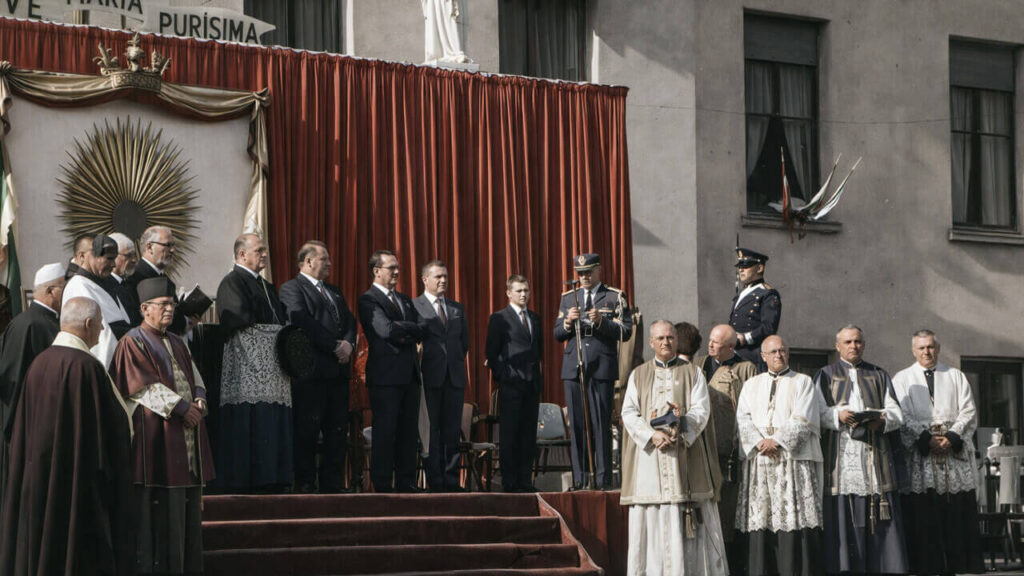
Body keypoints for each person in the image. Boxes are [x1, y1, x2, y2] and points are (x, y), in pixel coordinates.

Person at [0, 297, 134, 576]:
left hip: (38, 481)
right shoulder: (87, 367)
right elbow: (110, 431)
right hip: (76, 487)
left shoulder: (38, 364)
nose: (100, 332)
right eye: (99, 325)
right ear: (87, 324)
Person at [110, 277, 215, 576]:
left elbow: (196, 378)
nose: (170, 310)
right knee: (157, 514)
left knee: (186, 514)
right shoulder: (132, 341)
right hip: (158, 438)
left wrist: (199, 402)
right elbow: (140, 386)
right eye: (164, 305)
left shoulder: (178, 341)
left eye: (172, 304)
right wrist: (184, 409)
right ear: (145, 308)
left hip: (187, 434)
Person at [620, 320, 726, 576]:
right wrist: (651, 435)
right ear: (651, 343)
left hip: (685, 459)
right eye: (661, 338)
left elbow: (702, 409)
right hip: (650, 462)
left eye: (670, 337)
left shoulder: (693, 373)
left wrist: (682, 431)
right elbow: (629, 412)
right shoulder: (639, 374)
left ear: (677, 341)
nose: (666, 342)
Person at [814, 325, 909, 575]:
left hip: (874, 451)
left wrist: (881, 420)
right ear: (838, 346)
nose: (853, 346)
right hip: (841, 455)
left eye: (857, 341)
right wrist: (838, 415)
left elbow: (897, 413)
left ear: (863, 345)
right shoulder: (825, 374)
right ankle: (845, 567)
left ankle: (883, 567)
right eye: (847, 342)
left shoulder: (879, 374)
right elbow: (814, 413)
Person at [892, 330, 984, 575]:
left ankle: (958, 567)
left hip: (953, 456)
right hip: (922, 458)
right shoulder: (902, 379)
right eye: (921, 348)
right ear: (913, 350)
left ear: (938, 348)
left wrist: (952, 437)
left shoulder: (955, 376)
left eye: (930, 347)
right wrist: (926, 439)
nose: (926, 352)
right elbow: (901, 415)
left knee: (955, 515)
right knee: (924, 517)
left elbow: (968, 411)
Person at [735, 335, 824, 576]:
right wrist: (759, 442)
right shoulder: (751, 384)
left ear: (788, 354)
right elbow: (742, 418)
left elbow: (804, 417)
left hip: (790, 460)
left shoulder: (803, 382)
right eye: (773, 351)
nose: (778, 355)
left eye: (782, 351)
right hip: (760, 459)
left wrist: (779, 442)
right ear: (763, 356)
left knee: (792, 516)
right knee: (761, 516)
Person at [216, 233, 292, 493]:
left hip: (273, 370)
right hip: (248, 367)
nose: (265, 254)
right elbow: (237, 320)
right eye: (259, 250)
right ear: (241, 255)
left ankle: (274, 478)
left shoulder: (266, 285)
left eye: (265, 250)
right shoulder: (232, 282)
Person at [279, 241, 357, 494]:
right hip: (312, 373)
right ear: (308, 261)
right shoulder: (292, 288)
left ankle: (332, 483)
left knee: (336, 431)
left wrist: (348, 343)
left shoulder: (333, 291)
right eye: (324, 259)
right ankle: (305, 483)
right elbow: (302, 320)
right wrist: (334, 346)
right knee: (307, 430)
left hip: (338, 372)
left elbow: (350, 320)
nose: (330, 264)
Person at [554, 253, 632, 489]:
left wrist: (601, 322)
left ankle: (602, 478)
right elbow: (557, 333)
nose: (584, 277)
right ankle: (580, 478)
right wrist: (567, 323)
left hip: (601, 366)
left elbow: (626, 331)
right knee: (577, 424)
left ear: (598, 270)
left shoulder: (614, 296)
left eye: (589, 272)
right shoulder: (569, 297)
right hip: (574, 366)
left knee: (600, 423)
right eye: (580, 273)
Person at [357, 249, 425, 493]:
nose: (397, 272)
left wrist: (404, 329)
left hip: (410, 375)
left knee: (408, 432)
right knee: (385, 432)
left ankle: (407, 482)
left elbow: (422, 328)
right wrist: (409, 329)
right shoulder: (368, 299)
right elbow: (384, 330)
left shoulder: (405, 300)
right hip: (385, 377)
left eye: (397, 267)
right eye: (391, 268)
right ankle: (383, 484)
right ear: (376, 271)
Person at [692, 323, 758, 571]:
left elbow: (750, 406)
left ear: (730, 347)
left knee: (727, 511)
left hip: (727, 450)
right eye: (710, 340)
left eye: (717, 342)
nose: (710, 345)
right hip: (700, 448)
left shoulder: (745, 368)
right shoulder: (699, 364)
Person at [0, 263, 65, 514]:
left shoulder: (47, 322)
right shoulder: (28, 324)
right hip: (24, 427)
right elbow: (11, 377)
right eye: (63, 287)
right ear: (50, 291)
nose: (66, 291)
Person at [413, 260, 470, 492]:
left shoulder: (457, 308)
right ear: (425, 279)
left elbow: (463, 342)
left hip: (454, 378)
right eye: (438, 276)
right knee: (431, 433)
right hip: (429, 377)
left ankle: (452, 481)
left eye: (445, 276)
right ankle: (435, 483)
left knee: (451, 432)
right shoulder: (414, 306)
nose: (443, 280)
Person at [485, 274, 543, 493]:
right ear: (508, 292)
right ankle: (509, 481)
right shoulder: (499, 318)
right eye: (518, 290)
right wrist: (505, 376)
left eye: (526, 290)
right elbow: (491, 352)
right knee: (510, 435)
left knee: (528, 435)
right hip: (511, 385)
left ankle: (525, 480)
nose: (523, 294)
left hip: (531, 386)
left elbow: (539, 352)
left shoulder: (535, 319)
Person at [62, 233, 132, 367]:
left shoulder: (101, 283)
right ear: (84, 256)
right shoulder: (79, 285)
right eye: (109, 259)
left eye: (115, 259)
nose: (113, 265)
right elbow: (100, 338)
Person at [126, 226, 195, 335]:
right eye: (167, 245)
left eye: (173, 245)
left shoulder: (164, 278)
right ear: (149, 247)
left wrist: (187, 320)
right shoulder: (135, 278)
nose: (172, 250)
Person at [728, 248, 781, 370]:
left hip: (752, 358)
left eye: (746, 266)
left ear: (759, 268)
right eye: (740, 266)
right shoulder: (741, 295)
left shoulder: (767, 293)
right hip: (733, 354)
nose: (741, 269)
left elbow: (769, 327)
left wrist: (745, 338)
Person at [109, 232, 142, 326]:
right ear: (113, 256)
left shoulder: (131, 283)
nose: (134, 260)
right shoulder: (105, 286)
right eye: (128, 256)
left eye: (134, 255)